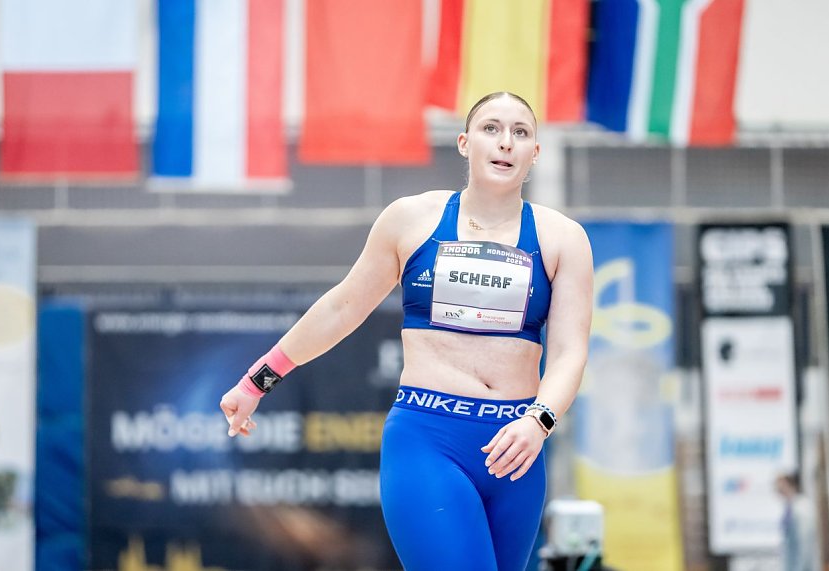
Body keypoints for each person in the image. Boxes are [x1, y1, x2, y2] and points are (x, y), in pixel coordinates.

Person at [220, 91, 593, 570]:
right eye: (491, 129)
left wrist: (539, 421)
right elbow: (342, 307)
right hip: (429, 440)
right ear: (464, 143)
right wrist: (257, 381)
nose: (506, 143)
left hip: (517, 447)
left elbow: (569, 353)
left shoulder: (563, 238)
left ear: (535, 153)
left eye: (520, 133)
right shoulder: (411, 219)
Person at [775, 472, 819, 571]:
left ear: (790, 485)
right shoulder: (789, 507)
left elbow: (805, 544)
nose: (778, 490)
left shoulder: (803, 508)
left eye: (781, 487)